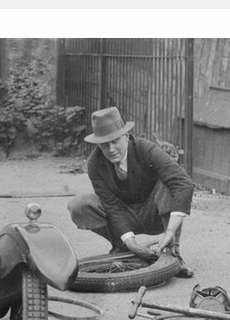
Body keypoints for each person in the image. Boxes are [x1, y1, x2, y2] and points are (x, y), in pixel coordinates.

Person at [67, 106, 195, 277]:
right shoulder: (95, 163)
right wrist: (131, 243)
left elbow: (183, 182)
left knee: (168, 183)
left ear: (126, 136)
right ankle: (122, 248)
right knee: (79, 206)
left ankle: (172, 252)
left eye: (115, 141)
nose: (111, 149)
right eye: (104, 145)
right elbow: (111, 205)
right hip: (122, 215)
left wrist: (170, 232)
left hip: (155, 213)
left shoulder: (146, 149)